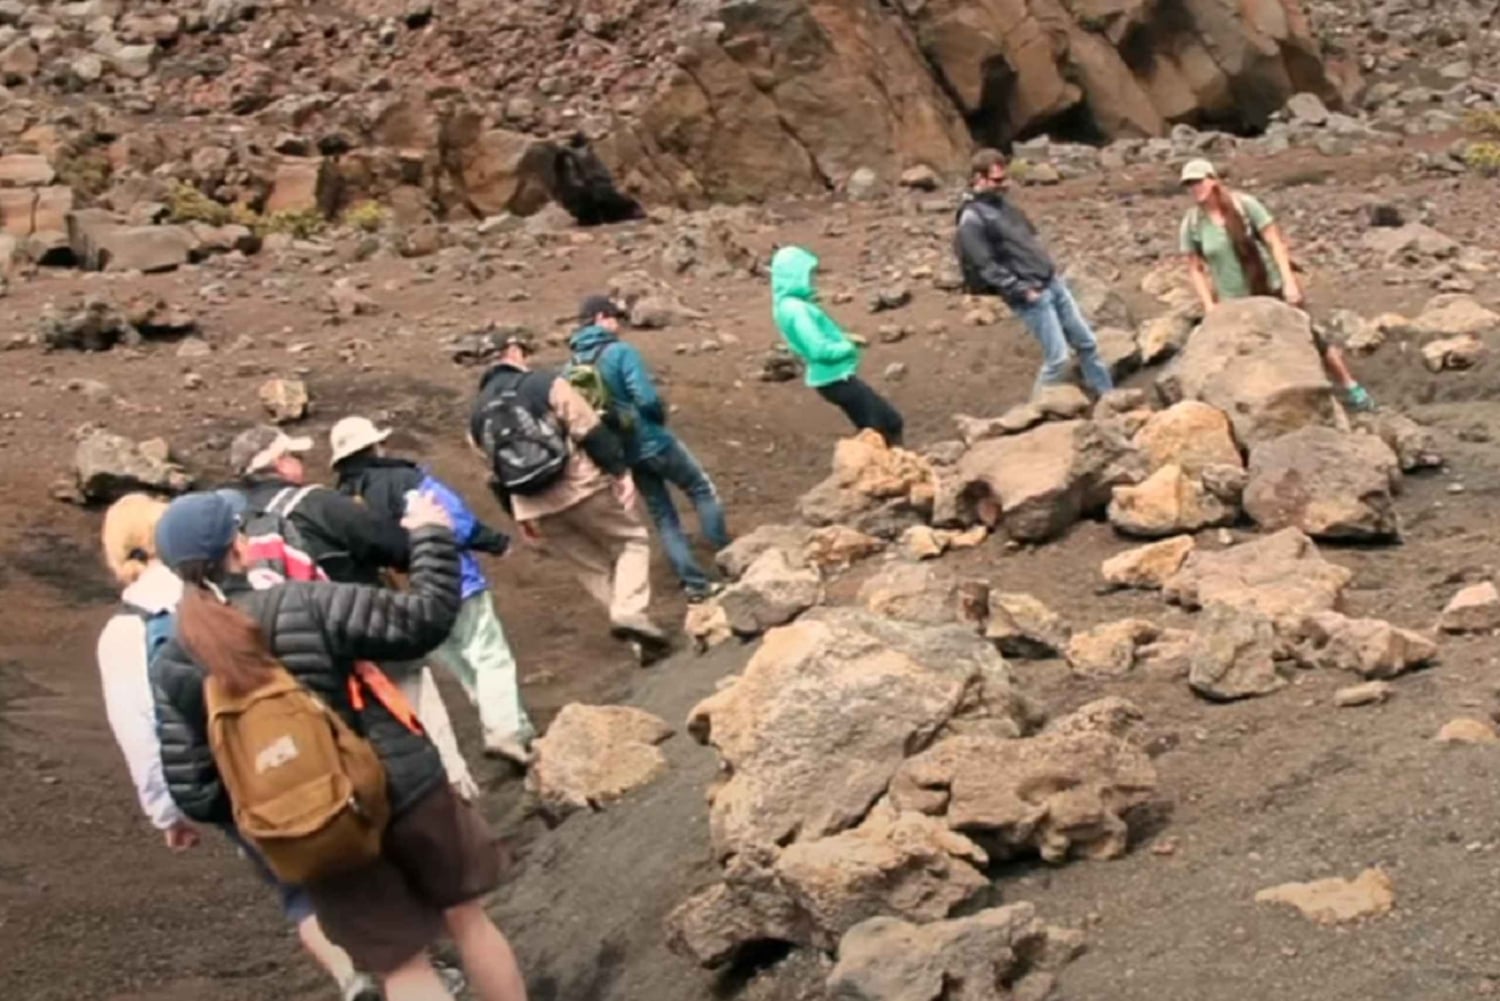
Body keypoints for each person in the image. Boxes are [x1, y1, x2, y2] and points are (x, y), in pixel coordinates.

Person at [150, 491, 528, 1001]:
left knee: (402, 968)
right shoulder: (299, 602)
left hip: (317, 833)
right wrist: (430, 535)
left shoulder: (173, 662)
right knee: (468, 921)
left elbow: (193, 790)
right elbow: (424, 620)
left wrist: (281, 797)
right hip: (406, 792)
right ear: (239, 545)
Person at [96, 493, 380, 1001]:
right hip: (297, 737)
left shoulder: (122, 632)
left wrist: (168, 811)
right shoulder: (215, 583)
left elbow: (138, 729)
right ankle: (401, 953)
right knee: (346, 834)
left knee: (295, 883)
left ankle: (351, 972)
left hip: (228, 773)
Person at [227, 423, 480, 798]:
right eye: (294, 455)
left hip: (309, 659)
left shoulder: (239, 529)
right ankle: (454, 801)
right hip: (373, 634)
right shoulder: (317, 504)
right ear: (280, 464)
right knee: (422, 720)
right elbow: (396, 546)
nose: (301, 462)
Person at [330, 415, 535, 765]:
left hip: (401, 596)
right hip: (451, 577)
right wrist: (496, 541)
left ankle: (516, 730)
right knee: (488, 655)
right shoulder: (405, 478)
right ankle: (505, 730)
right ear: (374, 446)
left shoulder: (341, 501)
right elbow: (455, 522)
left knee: (462, 665)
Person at [468, 332, 669, 661]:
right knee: (631, 541)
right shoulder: (543, 383)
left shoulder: (476, 416)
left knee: (589, 567)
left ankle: (640, 643)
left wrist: (518, 516)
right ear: (514, 352)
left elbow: (494, 473)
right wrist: (619, 472)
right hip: (579, 485)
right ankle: (629, 613)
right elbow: (587, 427)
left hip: (533, 504)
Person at [1177, 157, 1375, 411]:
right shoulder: (1193, 224)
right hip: (1234, 301)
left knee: (1309, 336)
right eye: (1189, 184)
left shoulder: (1244, 206)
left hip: (1269, 286)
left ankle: (1350, 387)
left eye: (1198, 181)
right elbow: (1195, 268)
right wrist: (1209, 306)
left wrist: (1289, 282)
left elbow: (1275, 241)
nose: (1195, 188)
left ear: (1213, 180)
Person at [568, 294, 731, 602]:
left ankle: (695, 584)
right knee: (700, 489)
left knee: (663, 516)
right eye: (614, 317)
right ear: (601, 318)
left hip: (623, 454)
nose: (619, 323)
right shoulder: (620, 352)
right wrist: (657, 420)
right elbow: (645, 397)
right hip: (653, 440)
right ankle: (726, 558)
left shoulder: (571, 367)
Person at [954, 148, 1114, 398]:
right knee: (1058, 359)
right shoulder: (971, 219)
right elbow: (986, 267)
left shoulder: (1002, 205)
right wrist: (1022, 290)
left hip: (1050, 282)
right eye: (997, 180)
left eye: (1004, 178)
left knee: (1087, 343)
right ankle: (1036, 409)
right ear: (978, 179)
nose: (1003, 185)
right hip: (1031, 294)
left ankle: (1108, 397)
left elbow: (1029, 238)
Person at [769, 245, 906, 446]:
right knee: (885, 424)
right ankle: (886, 469)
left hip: (830, 379)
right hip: (833, 377)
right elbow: (818, 349)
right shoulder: (797, 310)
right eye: (807, 274)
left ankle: (885, 466)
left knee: (878, 425)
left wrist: (845, 338)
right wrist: (846, 347)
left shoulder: (785, 306)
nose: (811, 279)